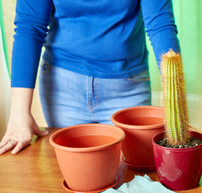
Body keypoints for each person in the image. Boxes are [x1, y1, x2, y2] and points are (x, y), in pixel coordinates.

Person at [0, 0, 180, 155]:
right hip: (62, 88)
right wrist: (19, 114)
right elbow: (29, 28)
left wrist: (176, 106)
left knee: (130, 174)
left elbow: (161, 25)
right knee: (74, 174)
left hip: (126, 87)